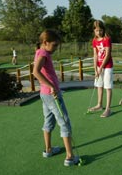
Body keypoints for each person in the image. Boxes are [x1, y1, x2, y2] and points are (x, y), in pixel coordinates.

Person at [33, 29, 79, 166]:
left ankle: (48, 150)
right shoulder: (43, 53)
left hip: (44, 94)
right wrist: (51, 86)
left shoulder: (40, 52)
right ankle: (70, 157)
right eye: (54, 45)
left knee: (49, 121)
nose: (55, 48)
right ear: (45, 42)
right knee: (64, 122)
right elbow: (35, 72)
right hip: (51, 94)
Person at [89, 20, 113, 118]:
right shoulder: (94, 41)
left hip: (107, 67)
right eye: (97, 31)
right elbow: (95, 55)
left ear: (103, 30)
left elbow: (107, 55)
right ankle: (99, 105)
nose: (99, 32)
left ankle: (108, 109)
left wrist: (101, 68)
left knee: (107, 86)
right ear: (94, 31)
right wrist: (95, 69)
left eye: (100, 30)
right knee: (99, 85)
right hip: (99, 66)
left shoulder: (107, 39)